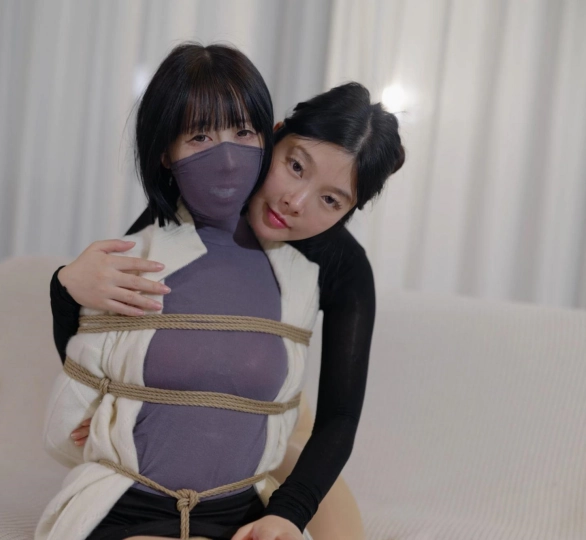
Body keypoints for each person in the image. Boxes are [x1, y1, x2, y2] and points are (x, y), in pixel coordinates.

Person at [43, 43, 405, 540]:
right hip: (191, 402)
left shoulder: (343, 264)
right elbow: (114, 334)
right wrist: (66, 289)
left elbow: (340, 416)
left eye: (330, 200)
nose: (295, 202)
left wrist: (289, 512)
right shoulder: (194, 202)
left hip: (278, 405)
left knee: (336, 521)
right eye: (295, 166)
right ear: (272, 136)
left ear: (349, 210)